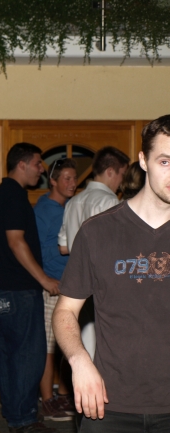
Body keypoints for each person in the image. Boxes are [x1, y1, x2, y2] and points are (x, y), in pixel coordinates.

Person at [53, 114, 170, 433]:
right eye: (165, 161)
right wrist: (79, 361)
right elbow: (65, 312)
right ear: (143, 161)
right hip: (109, 411)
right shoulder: (98, 232)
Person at [0, 142, 60, 433]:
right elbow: (16, 242)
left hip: (0, 288)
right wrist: (44, 280)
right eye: (38, 164)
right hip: (17, 289)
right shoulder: (14, 195)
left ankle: (14, 413)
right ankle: (24, 417)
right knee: (29, 353)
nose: (41, 170)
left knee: (8, 352)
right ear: (22, 164)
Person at [57, 147, 130, 360]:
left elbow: (63, 247)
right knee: (104, 348)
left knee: (83, 344)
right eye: (122, 174)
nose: (122, 182)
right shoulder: (109, 202)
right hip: (104, 284)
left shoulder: (73, 202)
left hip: (77, 282)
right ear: (110, 172)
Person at [34, 158, 77, 421]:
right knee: (49, 346)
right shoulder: (43, 210)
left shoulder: (70, 206)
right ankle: (47, 399)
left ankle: (62, 394)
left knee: (68, 342)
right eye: (67, 178)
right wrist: (46, 279)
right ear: (53, 180)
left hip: (70, 286)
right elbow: (34, 249)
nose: (72, 183)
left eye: (74, 178)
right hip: (52, 286)